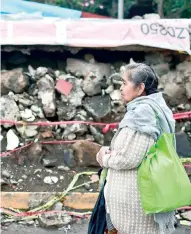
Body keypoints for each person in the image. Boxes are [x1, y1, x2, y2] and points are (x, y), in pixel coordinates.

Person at [96, 63, 177, 234]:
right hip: (139, 200)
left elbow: (129, 158)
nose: (120, 87)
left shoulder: (143, 113)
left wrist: (104, 157)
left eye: (125, 83)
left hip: (136, 207)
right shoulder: (153, 107)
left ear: (140, 88)